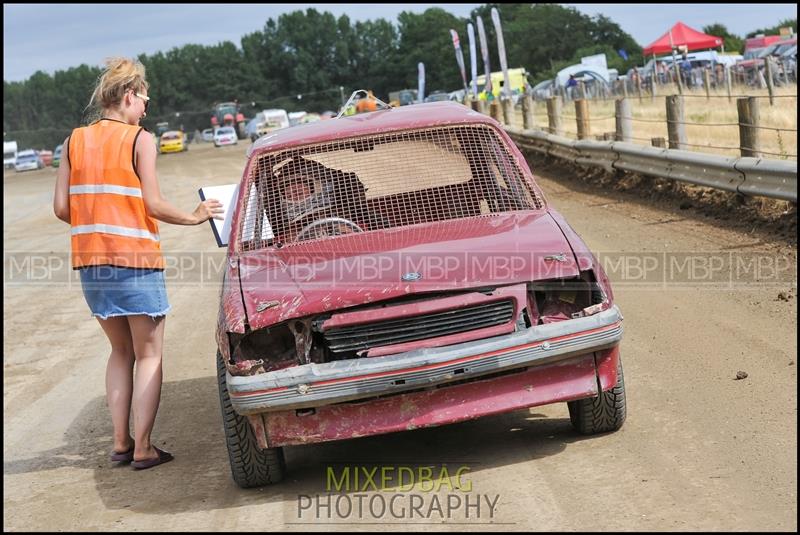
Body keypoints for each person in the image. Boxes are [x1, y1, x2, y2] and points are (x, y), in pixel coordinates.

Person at [52, 57, 224, 470]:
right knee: (149, 355)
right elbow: (153, 203)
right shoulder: (139, 140)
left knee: (119, 352)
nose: (146, 108)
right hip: (135, 262)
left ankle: (120, 443)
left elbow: (61, 208)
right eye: (145, 99)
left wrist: (99, 217)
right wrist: (195, 215)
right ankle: (145, 447)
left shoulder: (73, 141)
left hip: (92, 264)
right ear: (129, 96)